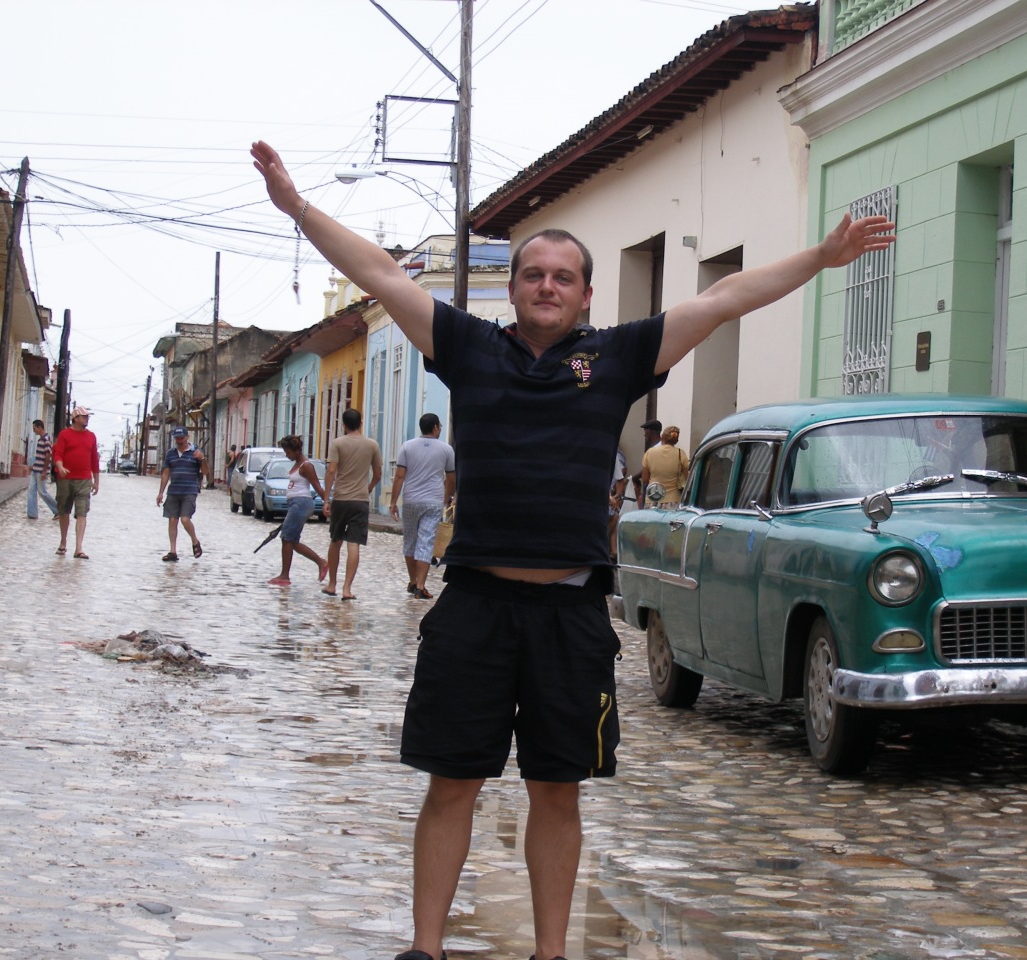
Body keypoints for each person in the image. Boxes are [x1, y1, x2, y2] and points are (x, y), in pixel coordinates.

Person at [252, 139, 894, 960]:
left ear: (586, 293)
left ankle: (551, 953)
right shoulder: (471, 349)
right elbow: (381, 274)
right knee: (453, 784)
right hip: (476, 607)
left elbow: (724, 297)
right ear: (515, 287)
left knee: (558, 792)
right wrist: (297, 208)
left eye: (563, 277)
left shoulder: (618, 357)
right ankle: (425, 948)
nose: (547, 286)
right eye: (533, 274)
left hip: (569, 615)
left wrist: (822, 257)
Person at [389, 413, 456, 600]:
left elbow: (400, 476)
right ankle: (420, 586)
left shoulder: (407, 446)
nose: (440, 429)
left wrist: (393, 502)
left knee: (410, 541)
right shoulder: (446, 449)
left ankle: (412, 580)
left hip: (411, 500)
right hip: (433, 501)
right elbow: (451, 478)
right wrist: (445, 497)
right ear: (435, 427)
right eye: (440, 426)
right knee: (426, 542)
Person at [322, 407, 382, 600]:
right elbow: (378, 474)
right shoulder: (372, 445)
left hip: (341, 499)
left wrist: (326, 499)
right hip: (360, 500)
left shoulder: (337, 443)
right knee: (354, 543)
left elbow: (331, 471)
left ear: (344, 425)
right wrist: (368, 488)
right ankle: (347, 589)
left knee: (335, 541)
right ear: (360, 423)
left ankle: (332, 584)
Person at [267, 434, 330, 586]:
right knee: (291, 541)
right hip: (295, 504)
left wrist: (327, 503)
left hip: (301, 503)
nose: (287, 455)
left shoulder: (306, 466)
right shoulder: (297, 464)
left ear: (296, 450)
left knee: (287, 538)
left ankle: (285, 575)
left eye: (288, 452)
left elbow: (317, 486)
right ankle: (321, 563)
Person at [52, 407, 100, 559]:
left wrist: (96, 480)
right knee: (64, 510)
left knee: (82, 512)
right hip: (65, 479)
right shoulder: (65, 434)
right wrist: (60, 467)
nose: (87, 419)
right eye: (84, 417)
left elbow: (94, 459)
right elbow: (58, 454)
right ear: (75, 418)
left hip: (84, 479)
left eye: (87, 417)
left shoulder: (91, 436)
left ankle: (79, 547)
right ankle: (63, 541)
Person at [156, 426, 205, 561]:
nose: (179, 440)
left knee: (185, 519)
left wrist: (202, 459)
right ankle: (173, 551)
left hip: (189, 491)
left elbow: (206, 472)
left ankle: (195, 541)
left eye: (181, 438)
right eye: (177, 438)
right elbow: (166, 473)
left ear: (187, 437)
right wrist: (161, 492)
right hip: (174, 491)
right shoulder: (170, 454)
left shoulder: (195, 452)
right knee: (172, 520)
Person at [640, 424, 689, 509]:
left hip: (653, 498)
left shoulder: (650, 453)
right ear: (676, 441)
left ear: (662, 437)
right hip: (674, 500)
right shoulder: (680, 454)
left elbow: (645, 479)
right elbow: (687, 477)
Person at [26, 419, 58, 520]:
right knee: (31, 491)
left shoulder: (46, 439)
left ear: (39, 427)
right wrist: (33, 467)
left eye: (34, 428)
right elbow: (40, 456)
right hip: (36, 470)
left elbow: (48, 456)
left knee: (42, 492)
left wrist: (44, 471)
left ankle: (58, 510)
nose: (34, 430)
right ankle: (32, 513)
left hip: (41, 471)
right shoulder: (40, 440)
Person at [630, 419, 661, 506]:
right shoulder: (661, 447)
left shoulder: (655, 450)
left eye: (645, 431)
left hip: (653, 487)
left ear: (650, 431)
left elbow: (646, 471)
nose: (644, 435)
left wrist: (632, 479)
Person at [608, 446, 629, 562]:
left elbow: (620, 478)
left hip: (609, 496)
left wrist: (617, 496)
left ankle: (612, 550)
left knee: (615, 516)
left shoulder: (614, 456)